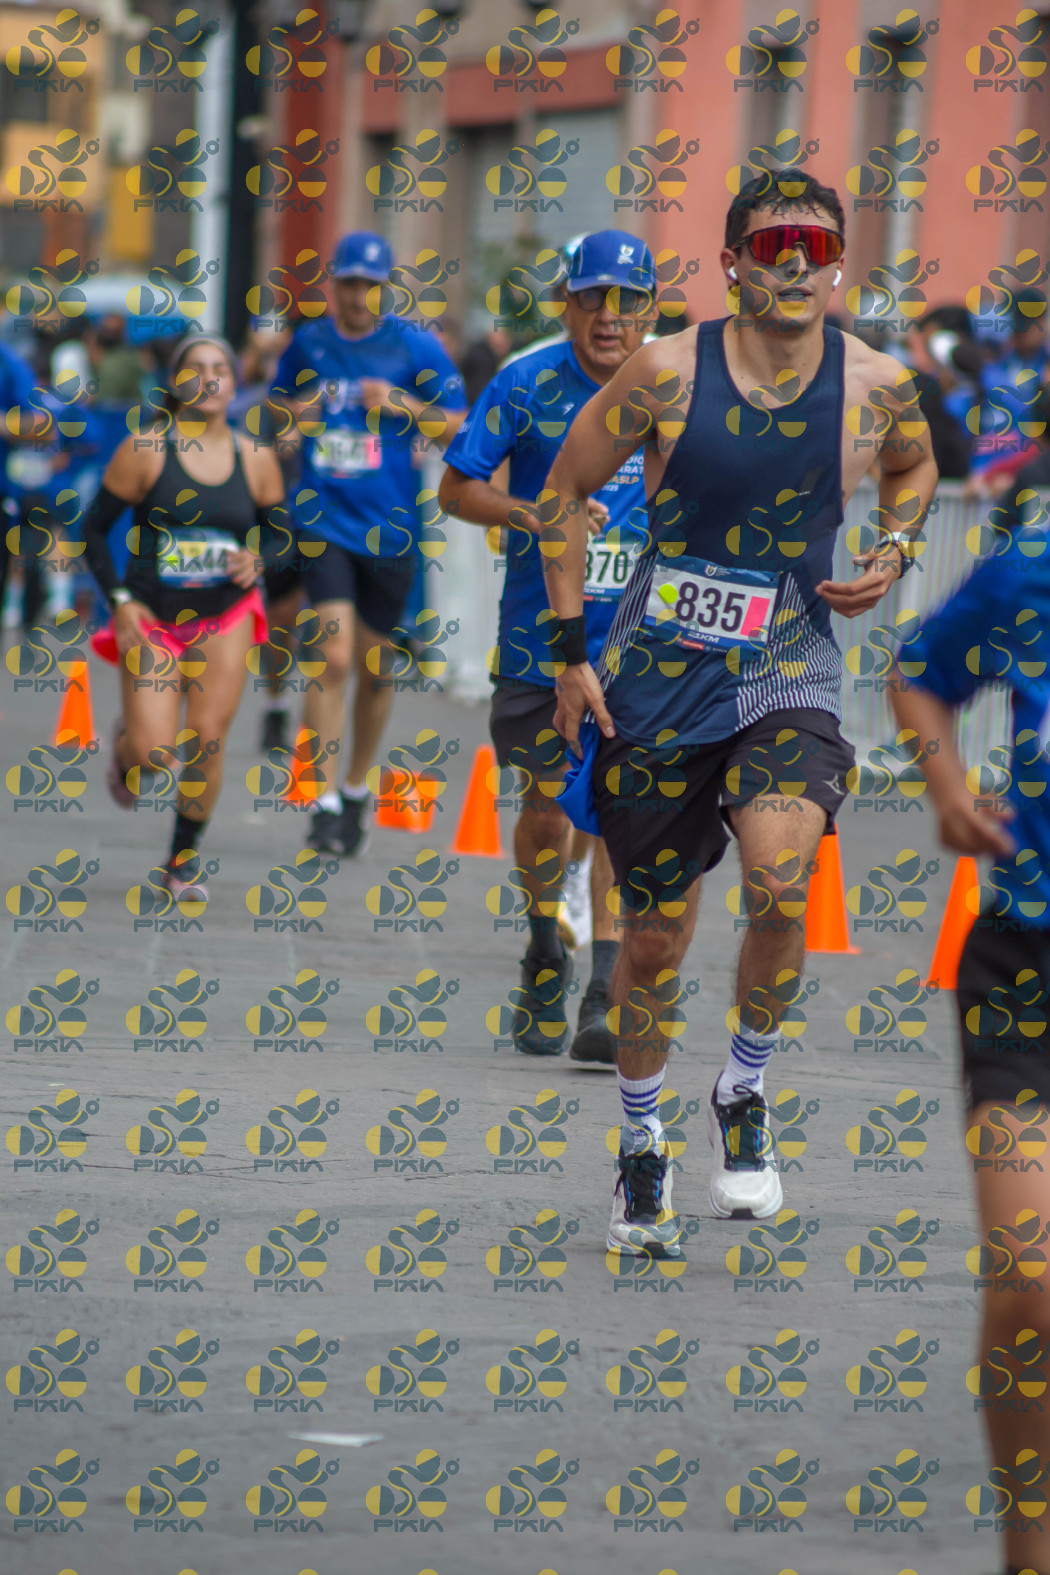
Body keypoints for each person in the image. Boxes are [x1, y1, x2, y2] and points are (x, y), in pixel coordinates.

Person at [543, 173, 938, 1255]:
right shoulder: (666, 372)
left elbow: (914, 467)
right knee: (655, 938)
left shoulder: (877, 383)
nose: (796, 260)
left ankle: (745, 1088)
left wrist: (896, 546)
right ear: (731, 264)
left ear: (839, 263)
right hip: (658, 680)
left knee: (779, 885)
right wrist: (572, 655)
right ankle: (641, 1143)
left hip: (787, 670)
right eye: (772, 244)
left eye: (815, 242)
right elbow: (563, 494)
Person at [439, 231, 655, 1062]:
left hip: (639, 645)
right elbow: (456, 489)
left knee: (621, 815)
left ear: (649, 310)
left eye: (627, 301)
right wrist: (532, 513)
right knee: (543, 808)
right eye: (593, 298)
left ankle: (602, 992)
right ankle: (542, 950)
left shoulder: (674, 387)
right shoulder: (525, 382)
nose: (609, 317)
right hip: (539, 643)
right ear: (567, 303)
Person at [887, 526, 1050, 1575]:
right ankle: (1030, 1553)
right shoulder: (1030, 568)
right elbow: (918, 675)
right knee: (1028, 1278)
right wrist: (947, 793)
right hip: (1026, 964)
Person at [269, 231, 466, 858]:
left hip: (390, 526)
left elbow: (462, 425)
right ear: (334, 284)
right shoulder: (309, 343)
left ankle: (355, 787)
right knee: (330, 657)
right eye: (350, 283)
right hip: (323, 520)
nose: (359, 296)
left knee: (378, 672)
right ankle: (323, 799)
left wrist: (406, 405)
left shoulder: (415, 346)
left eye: (371, 285)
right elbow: (275, 415)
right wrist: (294, 417)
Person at [80, 333, 284, 897]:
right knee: (154, 753)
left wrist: (261, 558)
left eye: (221, 367)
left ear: (235, 382)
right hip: (153, 615)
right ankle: (128, 749)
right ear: (175, 382)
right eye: (196, 368)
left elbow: (285, 534)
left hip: (226, 613)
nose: (210, 378)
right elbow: (92, 530)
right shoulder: (146, 450)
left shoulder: (256, 458)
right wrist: (120, 600)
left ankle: (181, 860)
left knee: (208, 738)